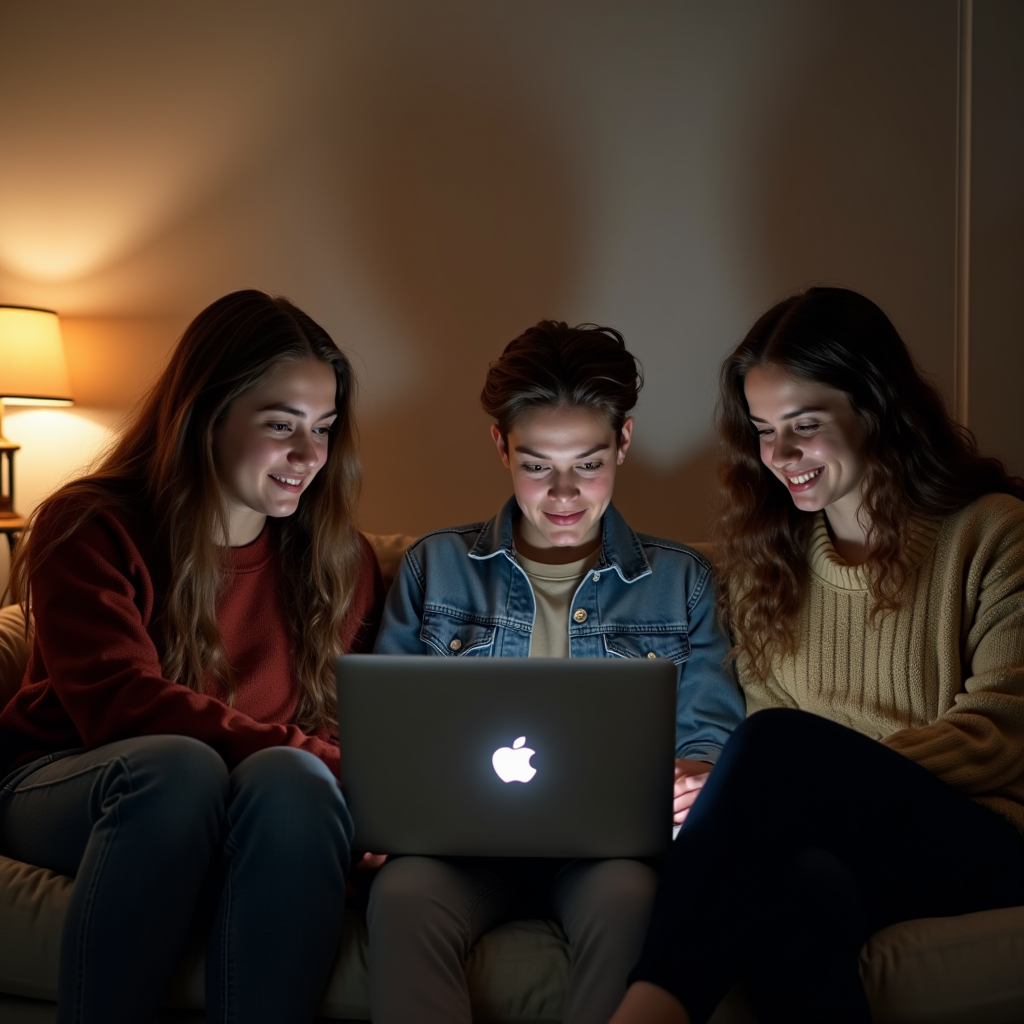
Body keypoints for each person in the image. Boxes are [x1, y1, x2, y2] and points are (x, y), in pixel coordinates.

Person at [610, 286, 1024, 1024]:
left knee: (771, 750)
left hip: (977, 832)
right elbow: (775, 732)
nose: (781, 455)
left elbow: (998, 735)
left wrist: (801, 780)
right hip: (823, 835)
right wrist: (742, 786)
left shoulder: (994, 533)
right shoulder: (767, 564)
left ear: (876, 408)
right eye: (764, 429)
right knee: (796, 889)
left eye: (805, 425)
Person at [0, 290, 385, 1024]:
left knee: (293, 777)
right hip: (73, 779)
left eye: (324, 429)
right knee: (178, 765)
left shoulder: (341, 558)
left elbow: (343, 729)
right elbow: (121, 704)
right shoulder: (89, 525)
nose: (309, 455)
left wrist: (363, 810)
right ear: (206, 417)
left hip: (253, 799)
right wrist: (341, 773)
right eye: (281, 426)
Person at [369, 320, 745, 1024]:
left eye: (589, 463)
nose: (564, 493)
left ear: (624, 442)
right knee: (401, 897)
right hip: (461, 847)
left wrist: (696, 771)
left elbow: (709, 729)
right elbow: (388, 730)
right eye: (538, 464)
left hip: (603, 852)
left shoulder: (682, 582)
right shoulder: (434, 568)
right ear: (500, 446)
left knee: (632, 901)